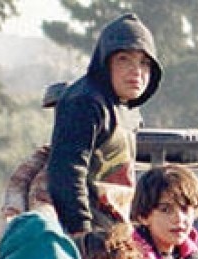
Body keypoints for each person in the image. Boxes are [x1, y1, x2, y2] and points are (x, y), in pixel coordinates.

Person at [46, 13, 162, 238]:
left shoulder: (126, 109)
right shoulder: (85, 102)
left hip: (114, 231)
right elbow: (68, 171)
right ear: (104, 62)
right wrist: (81, 232)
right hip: (88, 236)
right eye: (123, 59)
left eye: (144, 62)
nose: (136, 71)